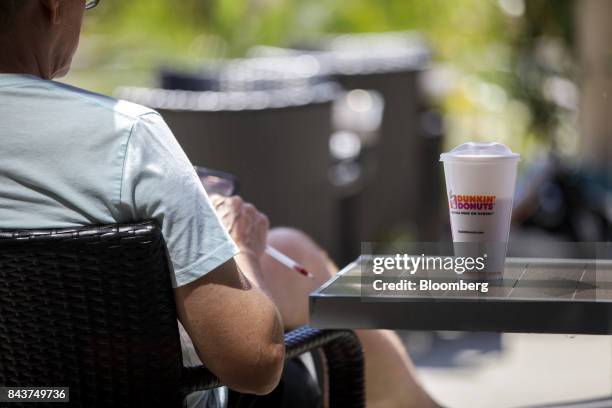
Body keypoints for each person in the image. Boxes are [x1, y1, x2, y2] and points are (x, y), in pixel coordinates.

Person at [0, 1, 440, 407]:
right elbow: (253, 362)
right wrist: (239, 245)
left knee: (293, 251)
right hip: (151, 392)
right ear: (53, 5)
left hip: (30, 391)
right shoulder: (125, 135)